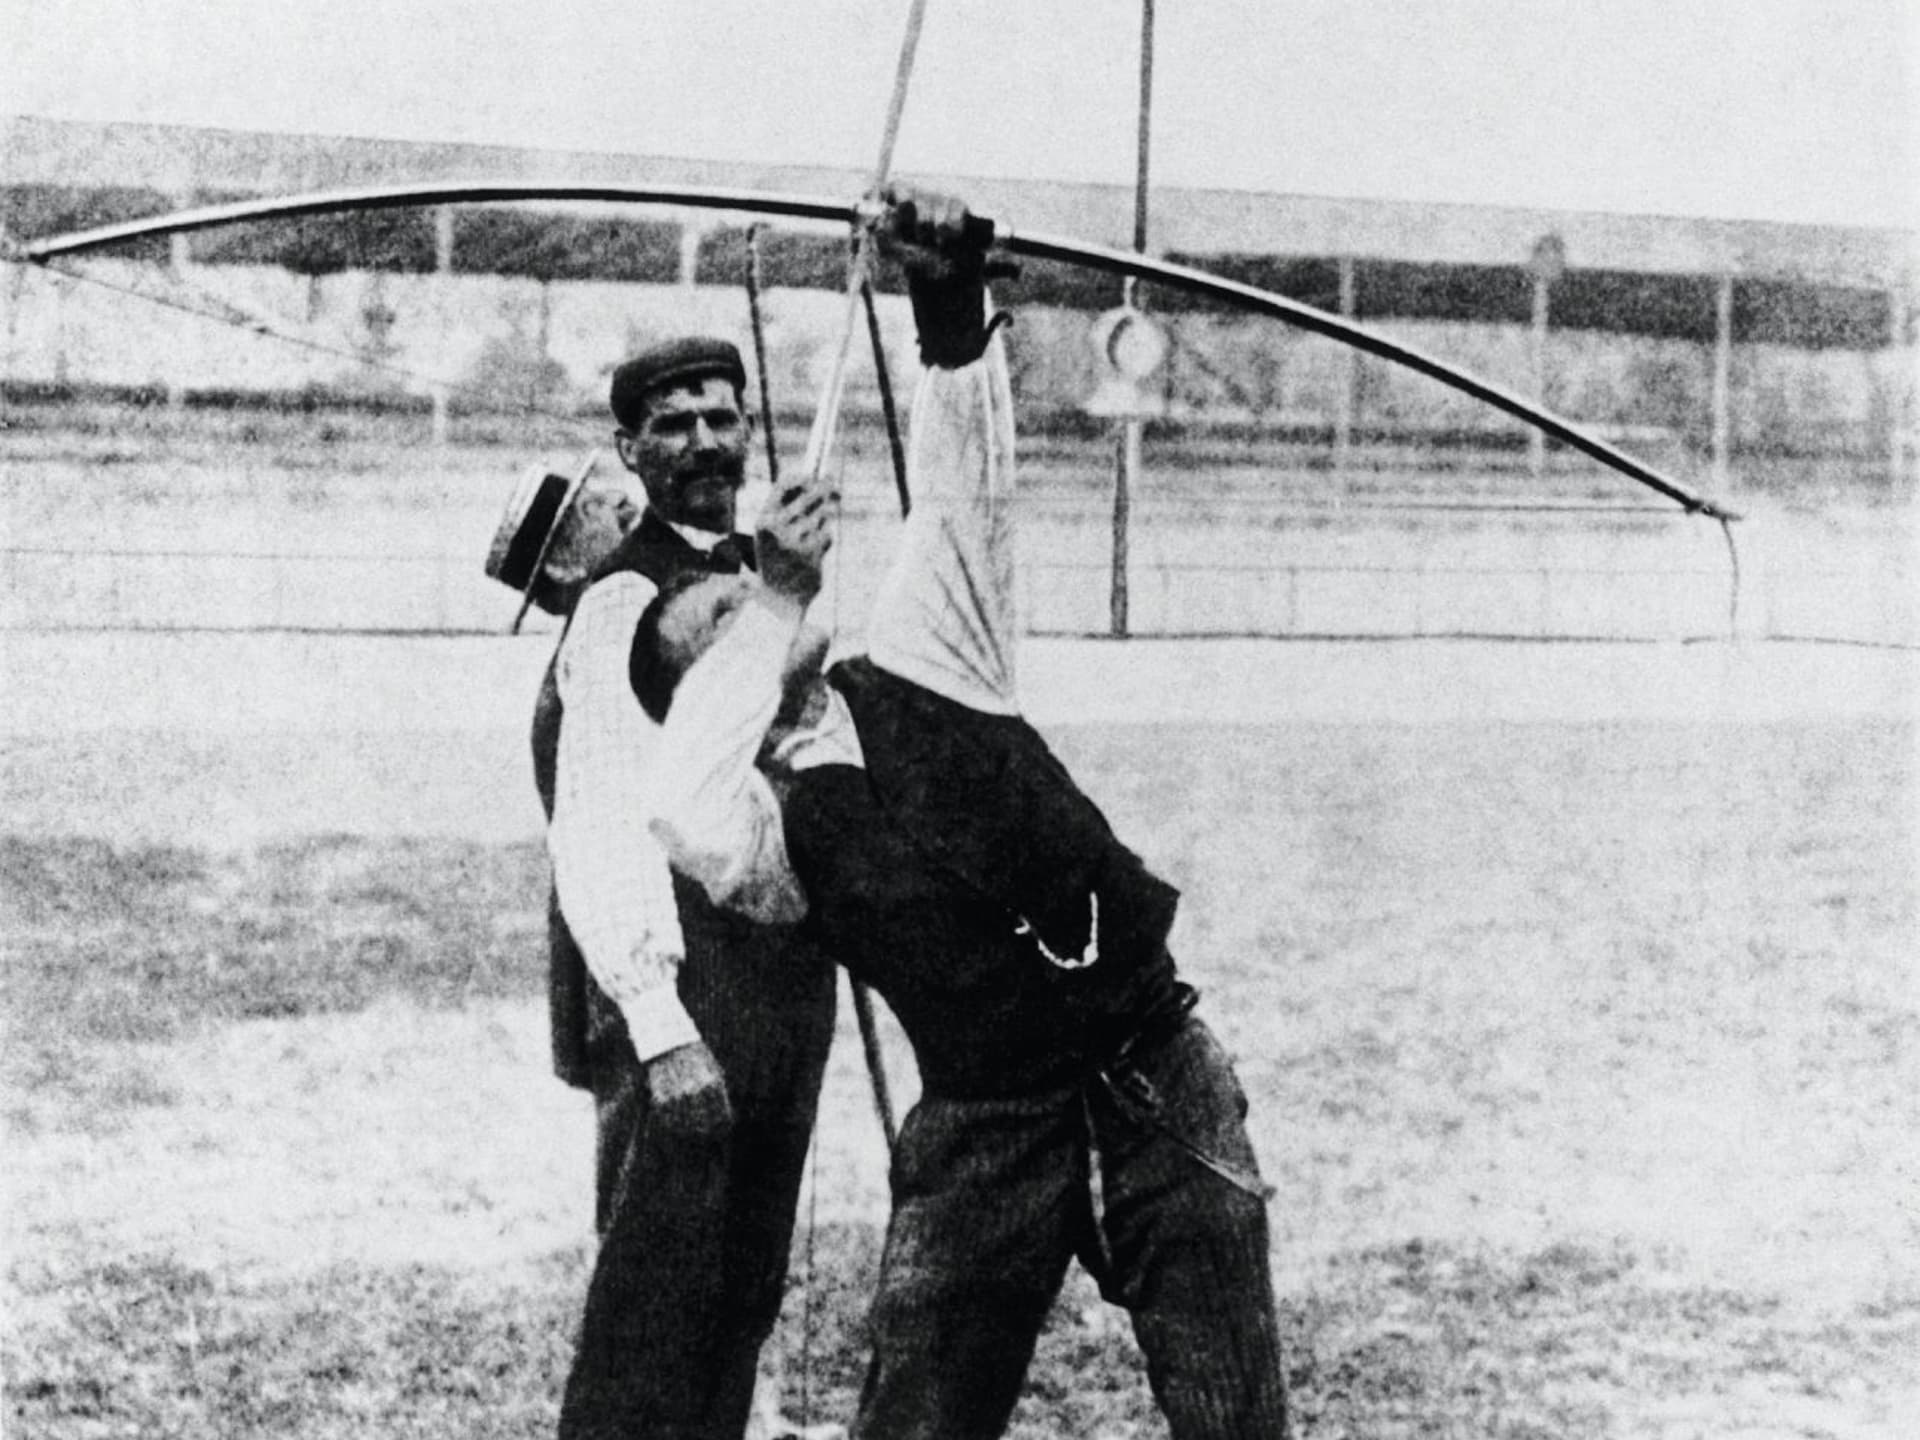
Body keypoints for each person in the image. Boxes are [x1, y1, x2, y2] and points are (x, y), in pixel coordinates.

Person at [638, 189, 1292, 1440]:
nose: (741, 599)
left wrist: (945, 301)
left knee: (1236, 1418)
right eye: (710, 624)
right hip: (984, 1131)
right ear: (702, 688)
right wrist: (770, 603)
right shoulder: (765, 833)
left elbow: (966, 496)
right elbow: (680, 806)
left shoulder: (929, 652)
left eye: (739, 595)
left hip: (1155, 1068)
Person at [484, 340, 838, 1440]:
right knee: (654, 1310)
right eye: (674, 424)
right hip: (686, 994)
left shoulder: (757, 570)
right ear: (630, 450)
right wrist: (658, 1025)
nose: (703, 442)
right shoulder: (618, 599)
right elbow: (595, 820)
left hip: (780, 982)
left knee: (743, 1294)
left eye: (721, 418)